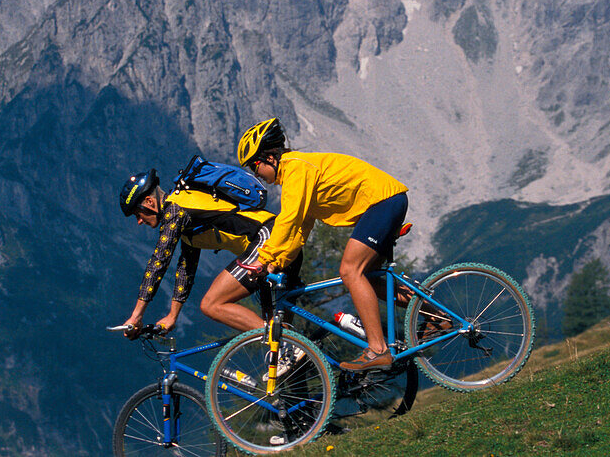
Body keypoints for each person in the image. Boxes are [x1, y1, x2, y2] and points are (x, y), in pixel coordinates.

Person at [235, 117, 409, 372]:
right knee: (367, 279)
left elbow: (288, 219)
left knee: (350, 271)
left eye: (254, 166)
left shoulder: (295, 169)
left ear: (270, 157)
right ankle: (435, 315)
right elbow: (299, 230)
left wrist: (263, 258)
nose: (255, 174)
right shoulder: (296, 174)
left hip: (382, 202)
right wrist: (276, 263)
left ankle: (377, 350)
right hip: (388, 201)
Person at [117, 167, 301, 338]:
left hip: (267, 239)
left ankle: (285, 341)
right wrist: (173, 316)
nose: (139, 221)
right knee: (281, 350)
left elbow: (158, 263)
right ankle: (298, 352)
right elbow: (186, 270)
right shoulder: (186, 214)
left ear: (149, 201)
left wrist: (136, 316)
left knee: (211, 304)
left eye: (137, 214)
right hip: (278, 238)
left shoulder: (176, 209)